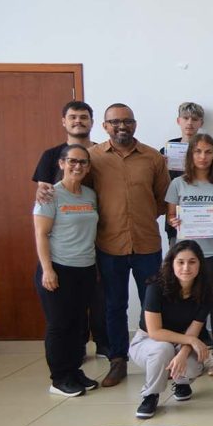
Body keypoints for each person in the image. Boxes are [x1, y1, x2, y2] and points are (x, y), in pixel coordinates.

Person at [85, 103, 171, 387]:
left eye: (127, 121)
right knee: (114, 305)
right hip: (109, 245)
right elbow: (83, 193)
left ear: (135, 124)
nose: (122, 126)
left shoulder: (152, 157)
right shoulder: (92, 158)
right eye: (115, 122)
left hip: (147, 243)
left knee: (153, 303)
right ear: (104, 126)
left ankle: (156, 357)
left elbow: (162, 199)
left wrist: (141, 216)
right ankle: (118, 360)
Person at [31, 100, 108, 360]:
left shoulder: (102, 155)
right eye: (73, 117)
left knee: (91, 305)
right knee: (61, 320)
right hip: (61, 253)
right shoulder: (50, 158)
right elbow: (43, 198)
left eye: (83, 117)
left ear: (92, 122)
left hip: (92, 249)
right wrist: (47, 268)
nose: (78, 121)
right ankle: (66, 367)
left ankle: (96, 350)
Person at [32, 144, 100, 397]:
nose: (77, 166)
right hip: (58, 268)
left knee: (78, 323)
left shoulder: (89, 195)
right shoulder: (50, 195)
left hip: (85, 269)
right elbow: (41, 234)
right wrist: (47, 270)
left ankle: (73, 371)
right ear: (61, 163)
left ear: (88, 167)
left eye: (83, 162)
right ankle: (59, 378)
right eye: (72, 161)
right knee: (59, 325)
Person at [165, 133, 213, 376]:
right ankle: (185, 351)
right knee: (186, 303)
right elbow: (170, 216)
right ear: (190, 154)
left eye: (208, 152)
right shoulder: (178, 183)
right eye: (197, 151)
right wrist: (174, 221)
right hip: (186, 254)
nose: (203, 157)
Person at [129, 240, 211, 419]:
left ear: (200, 264)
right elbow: (155, 332)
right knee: (163, 349)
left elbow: (193, 332)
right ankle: (150, 395)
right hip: (148, 341)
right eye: (180, 262)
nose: (186, 267)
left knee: (193, 364)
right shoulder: (156, 287)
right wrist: (190, 341)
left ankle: (181, 382)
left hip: (182, 341)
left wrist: (183, 353)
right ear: (171, 264)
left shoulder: (205, 290)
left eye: (192, 262)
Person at [160, 103, 206, 243]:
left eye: (195, 119)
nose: (190, 123)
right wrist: (161, 167)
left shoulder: (212, 151)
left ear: (201, 123)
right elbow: (159, 184)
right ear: (178, 121)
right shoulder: (166, 151)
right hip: (176, 217)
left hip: (205, 217)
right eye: (185, 118)